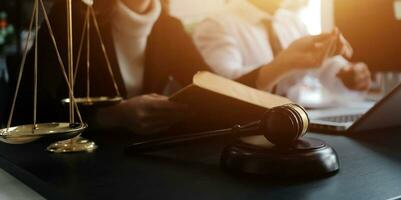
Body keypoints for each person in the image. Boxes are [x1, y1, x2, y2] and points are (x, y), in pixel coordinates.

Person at [14, 0, 349, 135]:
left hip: (143, 164)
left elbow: (217, 91)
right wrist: (108, 117)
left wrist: (285, 63)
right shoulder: (70, 17)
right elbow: (23, 114)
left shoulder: (168, 28)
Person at [193, 0, 372, 107]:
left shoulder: (291, 21)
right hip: (244, 131)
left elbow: (323, 66)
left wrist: (349, 73)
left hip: (294, 125)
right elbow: (225, 88)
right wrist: (285, 64)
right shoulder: (216, 25)